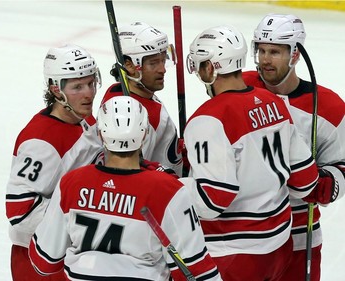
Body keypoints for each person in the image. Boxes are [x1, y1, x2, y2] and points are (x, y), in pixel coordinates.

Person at [28, 96, 222, 281]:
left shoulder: (71, 183)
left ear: (100, 134)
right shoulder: (167, 190)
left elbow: (43, 261)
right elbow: (198, 271)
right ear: (145, 133)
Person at [183, 24, 320, 281]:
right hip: (280, 247)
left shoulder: (208, 118)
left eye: (200, 64)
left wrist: (173, 185)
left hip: (232, 253)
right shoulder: (274, 103)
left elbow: (213, 201)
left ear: (211, 67)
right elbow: (305, 182)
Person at [243, 13, 345, 281]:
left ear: (295, 54)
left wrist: (327, 182)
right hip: (246, 236)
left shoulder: (328, 107)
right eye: (261, 50)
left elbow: (342, 165)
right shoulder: (240, 88)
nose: (265, 59)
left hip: (300, 234)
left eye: (275, 52)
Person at [5, 44, 104, 281]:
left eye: (91, 83)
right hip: (39, 262)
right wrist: (84, 221)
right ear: (56, 90)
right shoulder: (40, 142)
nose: (89, 93)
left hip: (73, 255)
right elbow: (19, 213)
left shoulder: (85, 119)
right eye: (77, 87)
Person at [102, 21, 183, 176]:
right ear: (130, 66)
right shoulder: (135, 116)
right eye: (153, 63)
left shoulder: (123, 93)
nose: (163, 69)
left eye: (163, 60)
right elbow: (130, 172)